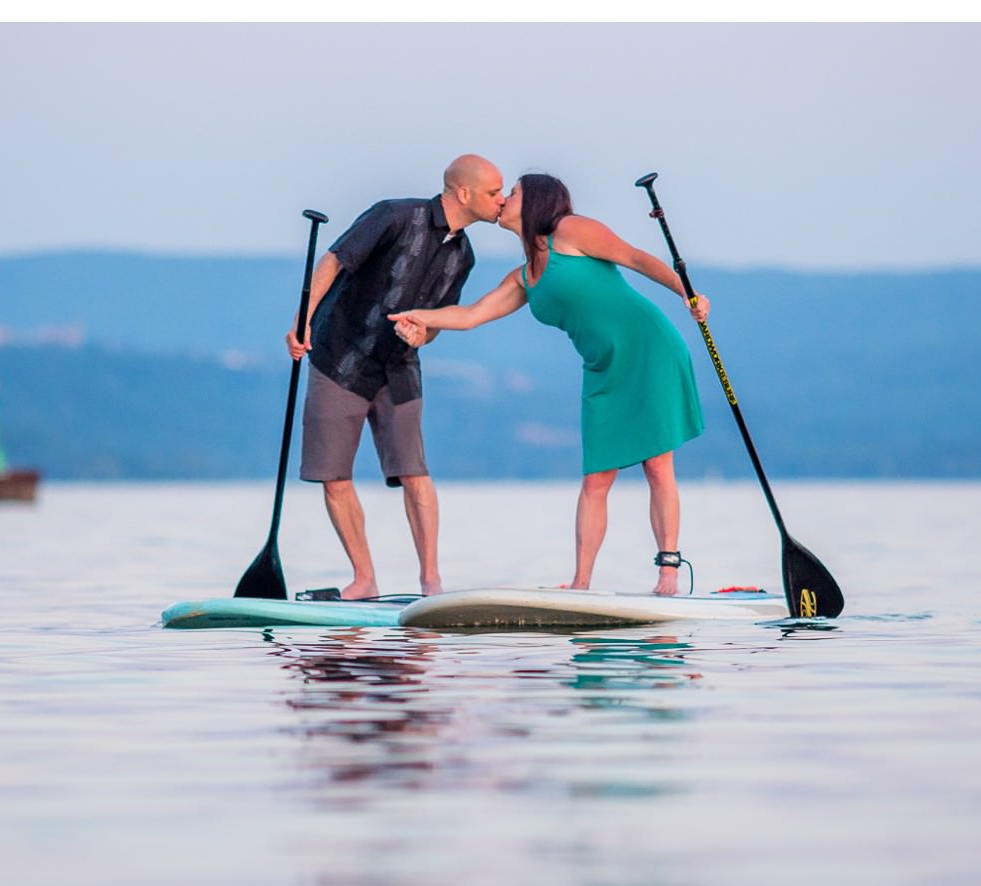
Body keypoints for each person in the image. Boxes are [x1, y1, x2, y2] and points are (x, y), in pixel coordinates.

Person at [392, 173, 708, 596]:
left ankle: (668, 573)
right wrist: (419, 315)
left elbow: (634, 258)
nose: (503, 199)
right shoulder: (523, 277)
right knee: (596, 478)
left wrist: (686, 293)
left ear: (537, 200)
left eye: (514, 192)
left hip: (650, 350)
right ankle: (581, 582)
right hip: (602, 369)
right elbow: (470, 316)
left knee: (657, 466)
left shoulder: (570, 230)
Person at [286, 154, 505, 597]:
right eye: (494, 193)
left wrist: (422, 334)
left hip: (399, 368)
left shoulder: (465, 256)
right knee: (333, 476)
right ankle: (364, 580)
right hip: (339, 358)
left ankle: (431, 584)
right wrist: (302, 320)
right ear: (464, 193)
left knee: (415, 472)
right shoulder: (392, 215)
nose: (501, 201)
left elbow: (439, 324)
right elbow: (332, 261)